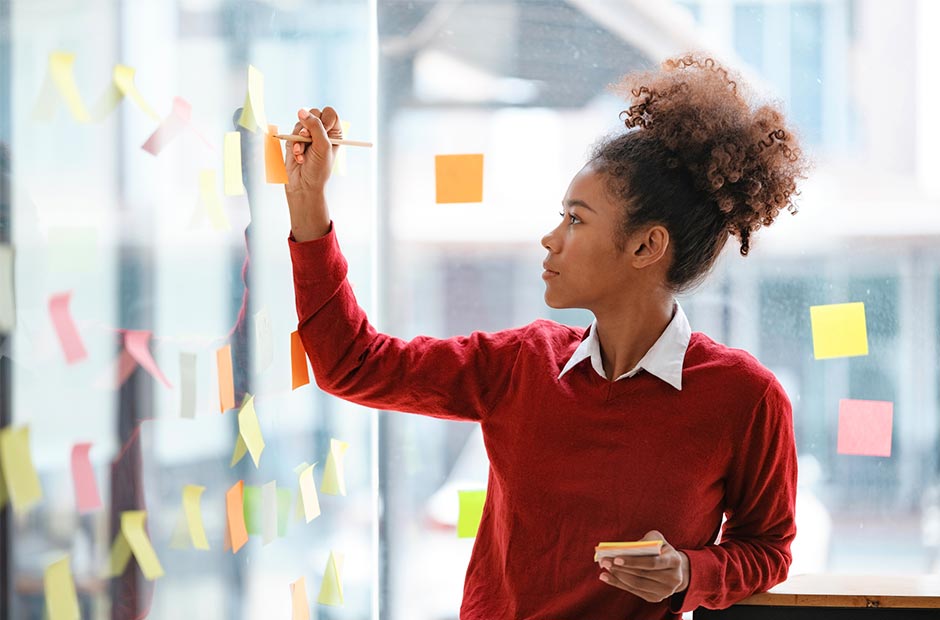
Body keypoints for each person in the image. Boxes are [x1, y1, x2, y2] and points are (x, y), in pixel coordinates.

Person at [284, 53, 806, 619]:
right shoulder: (520, 363)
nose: (550, 238)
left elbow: (768, 548)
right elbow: (351, 365)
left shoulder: (745, 397)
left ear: (645, 247)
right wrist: (308, 203)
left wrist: (689, 572)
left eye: (576, 220)